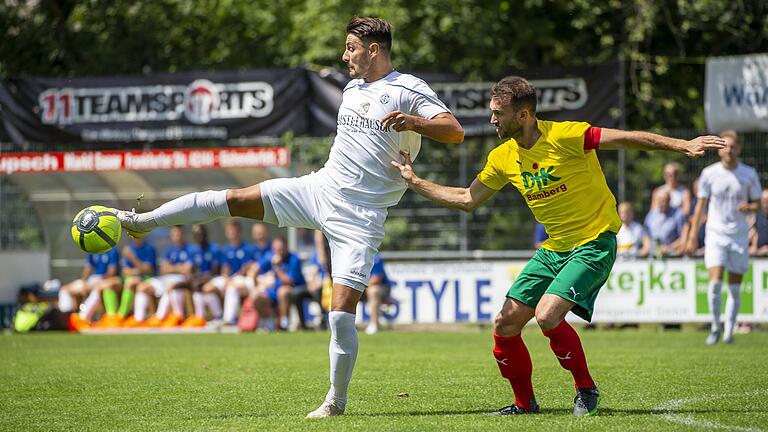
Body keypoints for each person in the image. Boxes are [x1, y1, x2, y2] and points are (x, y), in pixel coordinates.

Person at [113, 17, 462, 418]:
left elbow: (454, 131)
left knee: (340, 314)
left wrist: (415, 122)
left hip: (361, 217)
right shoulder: (352, 88)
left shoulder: (408, 89)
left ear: (374, 50)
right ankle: (143, 222)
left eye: (351, 47)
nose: (344, 55)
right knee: (231, 198)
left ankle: (336, 401)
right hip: (319, 189)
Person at [391, 76, 723, 416]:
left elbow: (626, 139)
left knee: (546, 314)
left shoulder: (565, 135)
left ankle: (586, 390)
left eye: (498, 113)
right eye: (492, 112)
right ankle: (525, 404)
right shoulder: (503, 156)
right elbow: (466, 198)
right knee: (505, 325)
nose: (492, 120)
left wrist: (682, 145)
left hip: (594, 242)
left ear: (523, 115)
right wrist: (415, 182)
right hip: (554, 249)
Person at [686, 130, 762, 345]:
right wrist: (692, 237)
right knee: (715, 285)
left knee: (735, 287)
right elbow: (700, 207)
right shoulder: (709, 174)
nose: (729, 150)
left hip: (739, 234)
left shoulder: (749, 173)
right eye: (725, 146)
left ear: (738, 149)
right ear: (719, 150)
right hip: (716, 234)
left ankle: (729, 329)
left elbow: (758, 205)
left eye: (733, 146)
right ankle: (715, 326)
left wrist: (751, 207)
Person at [134, 226, 195, 326]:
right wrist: (179, 267)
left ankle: (162, 317)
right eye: (174, 234)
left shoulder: (190, 249)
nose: (177, 236)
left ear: (183, 235)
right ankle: (138, 320)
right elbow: (163, 269)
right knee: (142, 287)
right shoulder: (169, 250)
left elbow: (187, 270)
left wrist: (171, 267)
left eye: (178, 234)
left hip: (181, 280)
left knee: (171, 287)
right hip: (166, 278)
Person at [252, 236, 306, 330]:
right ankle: (268, 322)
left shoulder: (294, 259)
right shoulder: (271, 256)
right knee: (257, 297)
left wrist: (276, 267)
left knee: (282, 292)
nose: (278, 252)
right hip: (275, 288)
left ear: (286, 247)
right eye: (275, 249)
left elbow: (289, 281)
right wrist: (256, 286)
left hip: (294, 288)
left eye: (280, 249)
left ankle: (284, 324)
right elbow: (255, 269)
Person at [58, 248, 120, 330]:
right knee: (64, 290)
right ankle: (66, 319)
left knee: (97, 289)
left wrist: (93, 283)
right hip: (91, 280)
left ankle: (83, 318)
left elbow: (111, 272)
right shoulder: (93, 249)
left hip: (105, 279)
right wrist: (84, 282)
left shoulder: (113, 251)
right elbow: (88, 269)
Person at [182, 224, 221, 327]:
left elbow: (215, 271)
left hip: (214, 279)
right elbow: (190, 269)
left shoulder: (214, 249)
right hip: (200, 280)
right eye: (197, 234)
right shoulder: (193, 250)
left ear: (205, 234)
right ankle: (200, 317)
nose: (199, 236)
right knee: (193, 287)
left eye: (201, 234)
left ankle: (218, 316)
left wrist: (202, 280)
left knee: (207, 291)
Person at [116, 237, 158, 327]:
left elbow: (147, 270)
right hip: (132, 278)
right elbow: (125, 271)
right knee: (129, 282)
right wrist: (137, 271)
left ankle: (122, 316)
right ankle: (122, 317)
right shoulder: (130, 248)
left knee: (132, 283)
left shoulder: (148, 248)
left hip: (148, 278)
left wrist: (132, 257)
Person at [644, 190, 687, 256]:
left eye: (665, 200)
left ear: (669, 201)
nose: (663, 203)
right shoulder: (651, 215)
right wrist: (647, 246)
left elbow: (683, 237)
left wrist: (669, 247)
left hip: (671, 254)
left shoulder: (678, 215)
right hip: (652, 254)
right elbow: (646, 235)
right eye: (660, 200)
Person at [363, 254, 393, 335]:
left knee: (373, 291)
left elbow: (376, 279)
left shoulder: (374, 256)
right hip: (362, 287)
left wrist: (360, 286)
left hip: (382, 287)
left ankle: (374, 323)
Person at [749, 189, 768, 256]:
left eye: (767, 199)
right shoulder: (758, 215)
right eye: (763, 199)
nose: (765, 201)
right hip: (758, 251)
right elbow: (756, 232)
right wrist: (754, 246)